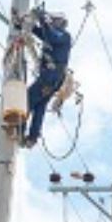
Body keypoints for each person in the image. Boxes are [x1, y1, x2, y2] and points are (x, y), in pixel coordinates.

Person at [23, 9, 72, 147]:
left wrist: (42, 18)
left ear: (61, 22)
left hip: (52, 75)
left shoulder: (64, 36)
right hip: (51, 77)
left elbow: (51, 36)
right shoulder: (52, 34)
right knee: (39, 106)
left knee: (27, 99)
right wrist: (23, 24)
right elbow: (40, 32)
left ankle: (18, 127)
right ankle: (32, 137)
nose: (52, 22)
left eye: (54, 20)